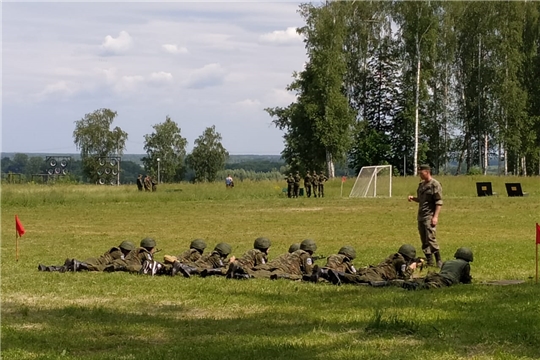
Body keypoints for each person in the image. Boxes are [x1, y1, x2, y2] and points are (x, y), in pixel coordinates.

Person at [326, 244, 420, 286]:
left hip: (374, 271)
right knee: (358, 279)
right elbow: (405, 277)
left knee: (359, 277)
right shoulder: (402, 261)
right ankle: (340, 275)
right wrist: (412, 268)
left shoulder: (395, 257)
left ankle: (338, 275)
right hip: (377, 274)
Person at [407, 164, 443, 267]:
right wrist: (413, 198)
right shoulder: (421, 185)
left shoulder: (434, 184)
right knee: (424, 239)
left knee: (431, 238)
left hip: (429, 216)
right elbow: (421, 200)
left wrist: (435, 217)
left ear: (427, 172)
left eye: (421, 173)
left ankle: (438, 260)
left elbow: (439, 201)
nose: (420, 175)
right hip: (421, 216)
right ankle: (429, 260)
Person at [237, 239, 317, 280]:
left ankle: (244, 272)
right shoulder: (305, 255)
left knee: (263, 271)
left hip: (278, 266)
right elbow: (309, 272)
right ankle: (247, 274)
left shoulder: (292, 254)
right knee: (271, 275)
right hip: (284, 270)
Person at [38, 240, 136, 272]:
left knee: (74, 267)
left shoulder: (116, 250)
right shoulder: (118, 253)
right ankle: (73, 265)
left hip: (96, 260)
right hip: (99, 263)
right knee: (85, 267)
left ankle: (53, 268)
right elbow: (124, 261)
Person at [402, 247, 473, 290]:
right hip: (447, 280)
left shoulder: (447, 262)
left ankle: (410, 283)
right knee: (432, 286)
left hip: (437, 275)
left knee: (424, 280)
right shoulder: (465, 264)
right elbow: (465, 279)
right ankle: (415, 287)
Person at [171, 243, 235, 277]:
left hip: (195, 265)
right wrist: (231, 262)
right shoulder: (216, 256)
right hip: (199, 267)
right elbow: (222, 268)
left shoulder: (212, 254)